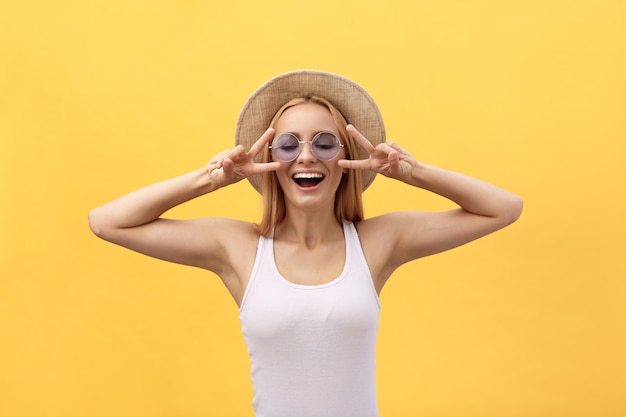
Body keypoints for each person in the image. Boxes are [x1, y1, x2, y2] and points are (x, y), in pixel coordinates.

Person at [88, 70, 523, 417]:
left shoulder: (378, 242)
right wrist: (211, 178)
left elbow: (504, 208)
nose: (307, 156)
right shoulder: (238, 247)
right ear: (270, 160)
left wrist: (413, 172)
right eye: (288, 144)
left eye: (325, 143)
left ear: (346, 159)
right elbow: (107, 222)